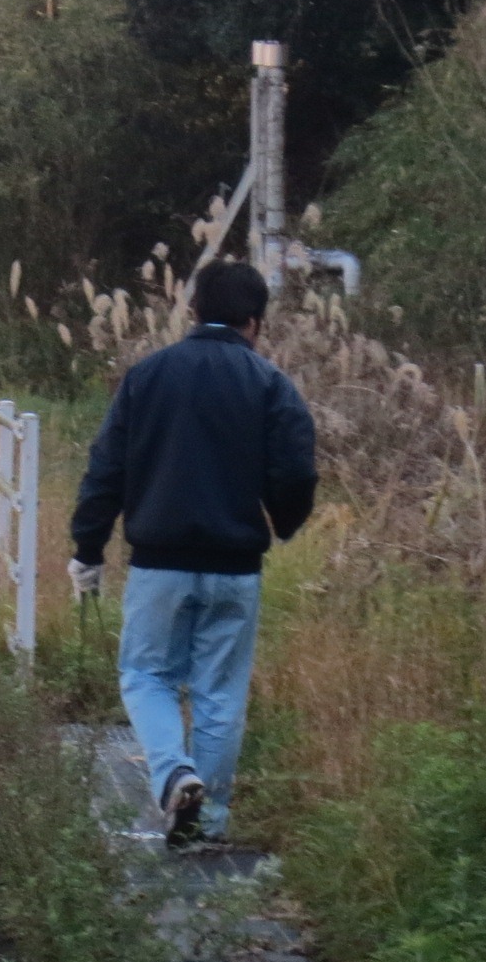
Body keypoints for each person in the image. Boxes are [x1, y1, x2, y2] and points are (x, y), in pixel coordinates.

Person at [69, 258, 319, 848]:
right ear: (255, 322)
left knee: (145, 675)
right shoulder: (269, 383)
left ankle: (174, 774)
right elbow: (296, 468)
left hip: (159, 563)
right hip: (236, 567)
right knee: (220, 695)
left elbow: (107, 467)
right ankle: (207, 824)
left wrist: (88, 546)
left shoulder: (147, 376)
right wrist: (283, 522)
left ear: (193, 310)